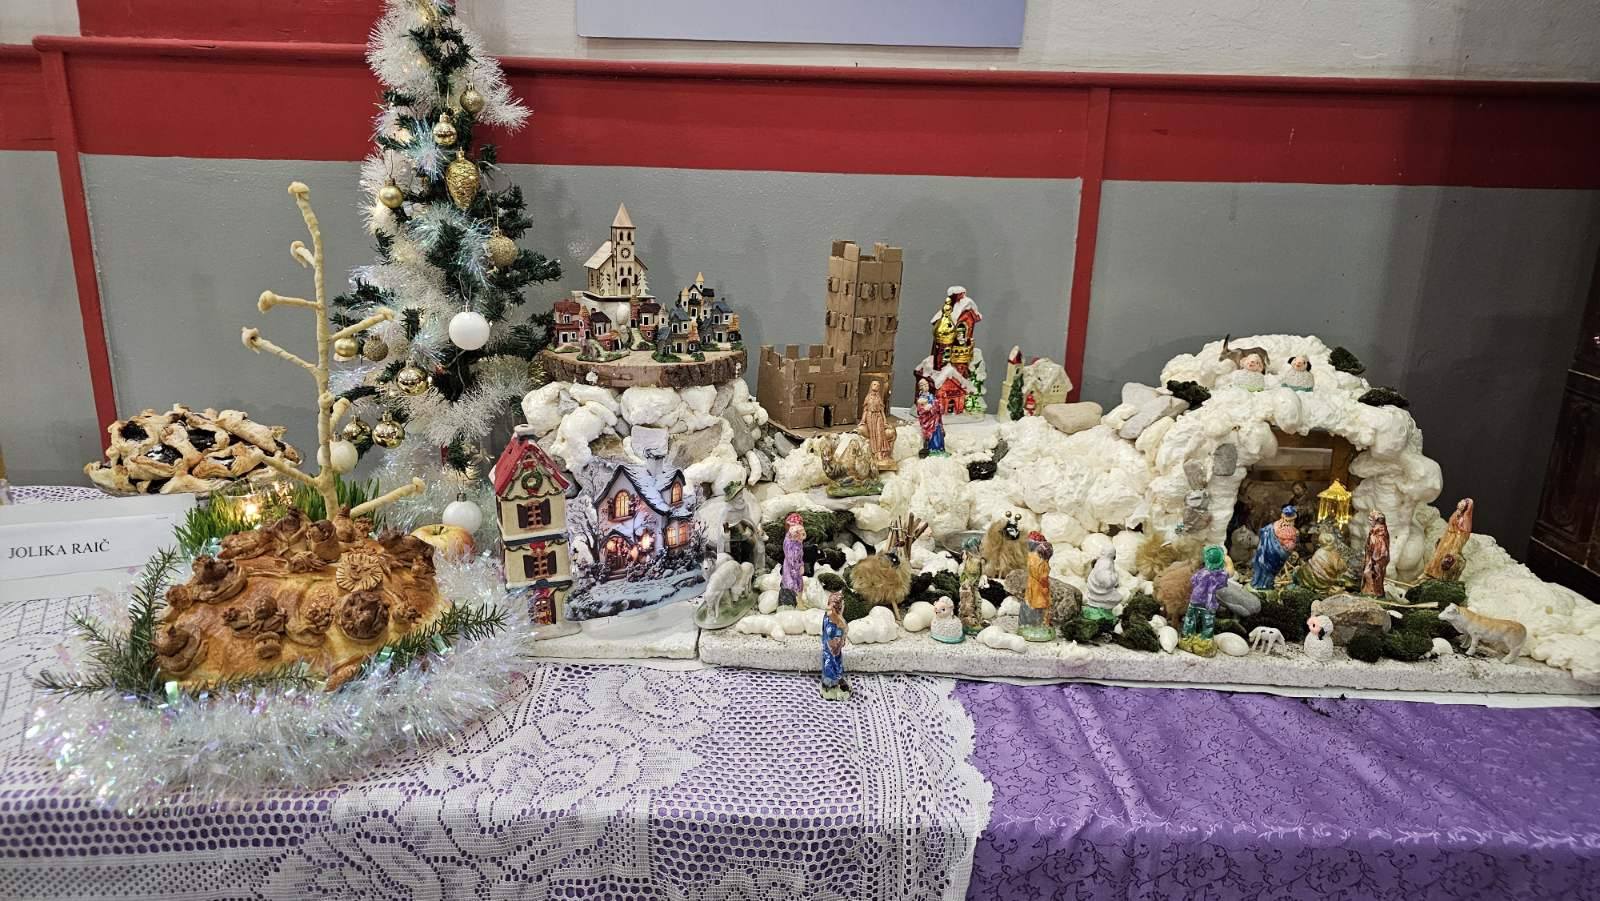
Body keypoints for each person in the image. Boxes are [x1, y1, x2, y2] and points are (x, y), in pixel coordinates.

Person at [1183, 545, 1230, 639]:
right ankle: (1206, 638)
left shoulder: (1201, 572)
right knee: (1208, 621)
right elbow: (1222, 584)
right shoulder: (1222, 575)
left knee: (1190, 618)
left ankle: (1187, 635)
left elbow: (1193, 581)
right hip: (1209, 602)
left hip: (1195, 599)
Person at [1424, 498, 1473, 580]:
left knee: (1448, 556)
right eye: (1460, 502)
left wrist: (1458, 526)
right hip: (1448, 536)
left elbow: (1464, 530)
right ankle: (1433, 571)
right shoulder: (1456, 513)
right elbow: (1450, 523)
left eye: (1463, 504)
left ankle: (1441, 575)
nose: (1460, 504)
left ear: (1465, 508)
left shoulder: (1464, 518)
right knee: (1439, 552)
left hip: (1455, 538)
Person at [1250, 505, 1298, 589]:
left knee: (1268, 570)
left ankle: (1264, 584)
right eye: (1290, 520)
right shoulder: (1286, 529)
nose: (1290, 522)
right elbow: (1265, 532)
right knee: (1265, 568)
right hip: (1271, 553)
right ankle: (1261, 584)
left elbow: (1264, 531)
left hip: (1276, 555)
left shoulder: (1275, 526)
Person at [1018, 532, 1054, 641]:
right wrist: (1045, 587)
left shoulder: (1031, 556)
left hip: (1034, 586)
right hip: (1038, 588)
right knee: (1038, 606)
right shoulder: (1039, 561)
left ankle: (1033, 624)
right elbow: (1042, 576)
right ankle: (1036, 624)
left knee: (1032, 604)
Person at [820, 585, 849, 700]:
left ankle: (834, 682)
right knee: (831, 664)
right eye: (842, 605)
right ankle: (830, 686)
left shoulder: (834, 618)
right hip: (831, 651)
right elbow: (832, 641)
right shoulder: (832, 621)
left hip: (834, 651)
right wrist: (840, 637)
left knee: (835, 662)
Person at [857, 379, 894, 466]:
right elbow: (865, 410)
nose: (876, 386)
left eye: (878, 385)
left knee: (879, 434)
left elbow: (882, 411)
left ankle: (880, 452)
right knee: (873, 434)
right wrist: (862, 421)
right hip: (870, 417)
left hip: (878, 417)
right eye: (874, 384)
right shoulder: (868, 398)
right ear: (871, 386)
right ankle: (875, 453)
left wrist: (885, 421)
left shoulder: (878, 398)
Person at [1361, 512, 1391, 597]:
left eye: (1371, 520)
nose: (1370, 522)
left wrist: (1375, 558)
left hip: (1377, 560)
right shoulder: (1374, 531)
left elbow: (1382, 549)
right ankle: (1369, 590)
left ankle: (1374, 592)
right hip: (1372, 558)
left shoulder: (1381, 532)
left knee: (1373, 574)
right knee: (1369, 573)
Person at [779, 512, 805, 608]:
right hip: (791, 568)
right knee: (790, 584)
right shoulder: (789, 542)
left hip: (797, 568)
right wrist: (796, 566)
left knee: (798, 584)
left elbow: (800, 555)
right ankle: (788, 604)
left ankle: (798, 601)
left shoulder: (797, 541)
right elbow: (790, 557)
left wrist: (801, 564)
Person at [915, 377, 946, 456]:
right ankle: (932, 449)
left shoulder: (931, 395)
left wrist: (938, 406)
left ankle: (939, 449)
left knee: (938, 432)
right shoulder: (921, 398)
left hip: (935, 418)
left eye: (926, 384)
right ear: (920, 387)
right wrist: (926, 409)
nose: (926, 386)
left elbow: (937, 403)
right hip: (928, 419)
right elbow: (920, 410)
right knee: (932, 434)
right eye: (923, 385)